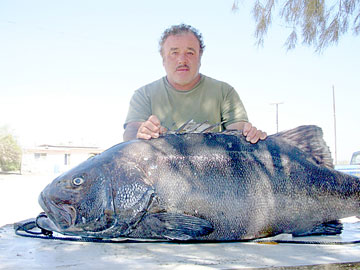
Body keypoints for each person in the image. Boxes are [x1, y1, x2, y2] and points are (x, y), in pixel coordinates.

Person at [123, 24, 267, 143]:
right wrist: (141, 133)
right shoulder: (143, 94)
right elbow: (130, 134)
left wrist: (250, 135)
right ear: (163, 60)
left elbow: (239, 134)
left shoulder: (225, 91)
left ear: (200, 58)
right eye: (174, 53)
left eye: (190, 52)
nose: (182, 60)